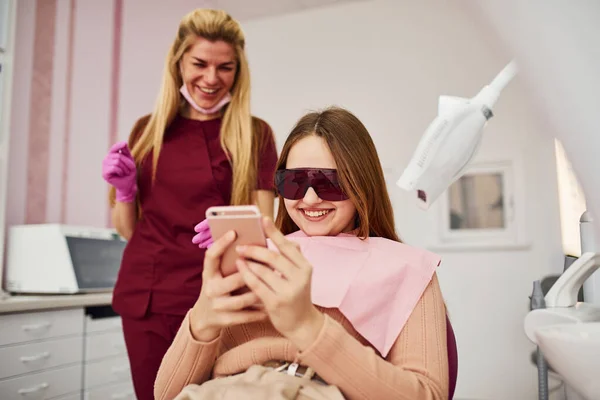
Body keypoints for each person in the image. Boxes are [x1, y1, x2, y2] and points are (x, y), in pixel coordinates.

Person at [154, 107, 452, 400]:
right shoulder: (252, 258)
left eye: (330, 183)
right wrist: (202, 320)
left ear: (363, 182)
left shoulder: (409, 269)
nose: (310, 199)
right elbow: (165, 395)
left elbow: (428, 395)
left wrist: (307, 327)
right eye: (295, 183)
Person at [100, 9, 278, 400]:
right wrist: (126, 191)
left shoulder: (255, 134)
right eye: (199, 63)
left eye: (225, 67)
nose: (211, 78)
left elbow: (266, 226)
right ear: (178, 62)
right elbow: (128, 230)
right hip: (148, 295)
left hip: (218, 298)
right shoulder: (147, 131)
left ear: (238, 70)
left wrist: (232, 230)